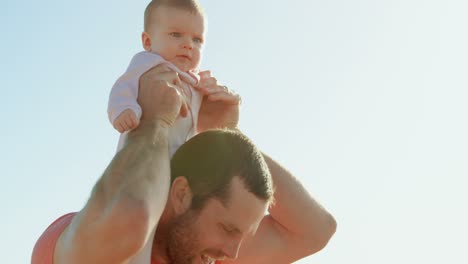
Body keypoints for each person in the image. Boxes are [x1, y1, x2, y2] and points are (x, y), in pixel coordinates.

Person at [32, 62, 337, 263]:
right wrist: (154, 122)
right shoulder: (76, 236)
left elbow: (316, 229)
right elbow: (129, 220)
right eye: (228, 229)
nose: (232, 253)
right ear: (181, 194)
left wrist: (227, 134)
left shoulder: (206, 254)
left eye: (243, 235)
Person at [108, 0, 222, 156]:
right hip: (144, 152)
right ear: (148, 42)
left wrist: (212, 93)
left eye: (197, 40)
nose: (188, 44)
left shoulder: (196, 79)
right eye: (176, 35)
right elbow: (123, 87)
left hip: (181, 156)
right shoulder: (149, 63)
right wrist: (124, 110)